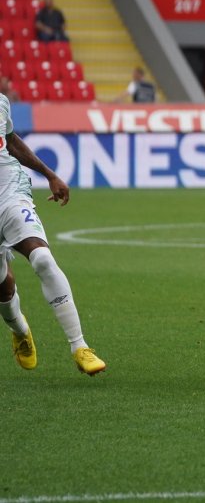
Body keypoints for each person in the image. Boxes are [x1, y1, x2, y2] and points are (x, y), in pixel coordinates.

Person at [0, 93, 106, 375]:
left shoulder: (1, 102)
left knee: (43, 259)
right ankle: (20, 330)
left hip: (10, 194)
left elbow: (10, 141)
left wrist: (50, 174)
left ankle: (80, 347)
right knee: (3, 284)